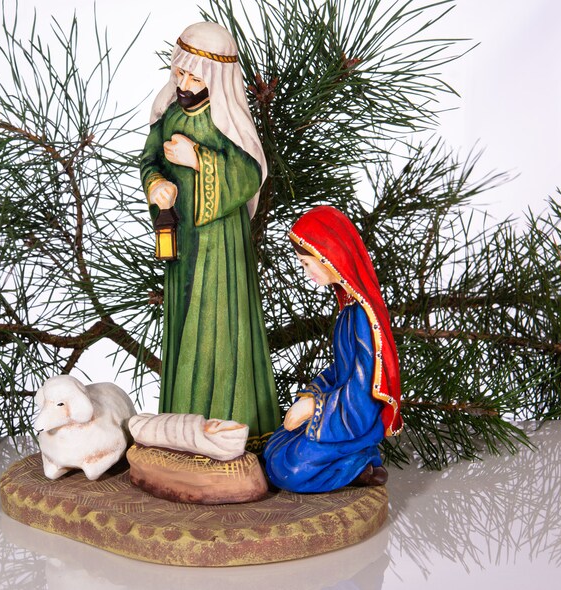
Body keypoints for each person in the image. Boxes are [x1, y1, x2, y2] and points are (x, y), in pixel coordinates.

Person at [140, 22, 280, 451]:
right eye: (180, 73)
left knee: (220, 323)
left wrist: (198, 158)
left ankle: (233, 429)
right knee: (183, 321)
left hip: (220, 246)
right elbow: (149, 159)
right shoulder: (170, 114)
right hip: (181, 238)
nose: (184, 85)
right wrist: (156, 186)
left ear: (217, 79)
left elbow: (249, 173)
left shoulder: (226, 121)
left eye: (196, 78)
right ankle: (181, 427)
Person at [263, 206, 403, 492]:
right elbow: (341, 371)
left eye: (307, 263)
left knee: (288, 469)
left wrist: (314, 409)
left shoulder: (363, 317)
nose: (307, 273)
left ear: (329, 254)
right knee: (273, 448)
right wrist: (310, 399)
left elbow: (363, 390)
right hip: (339, 412)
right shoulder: (349, 311)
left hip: (356, 417)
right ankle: (357, 462)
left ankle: (359, 463)